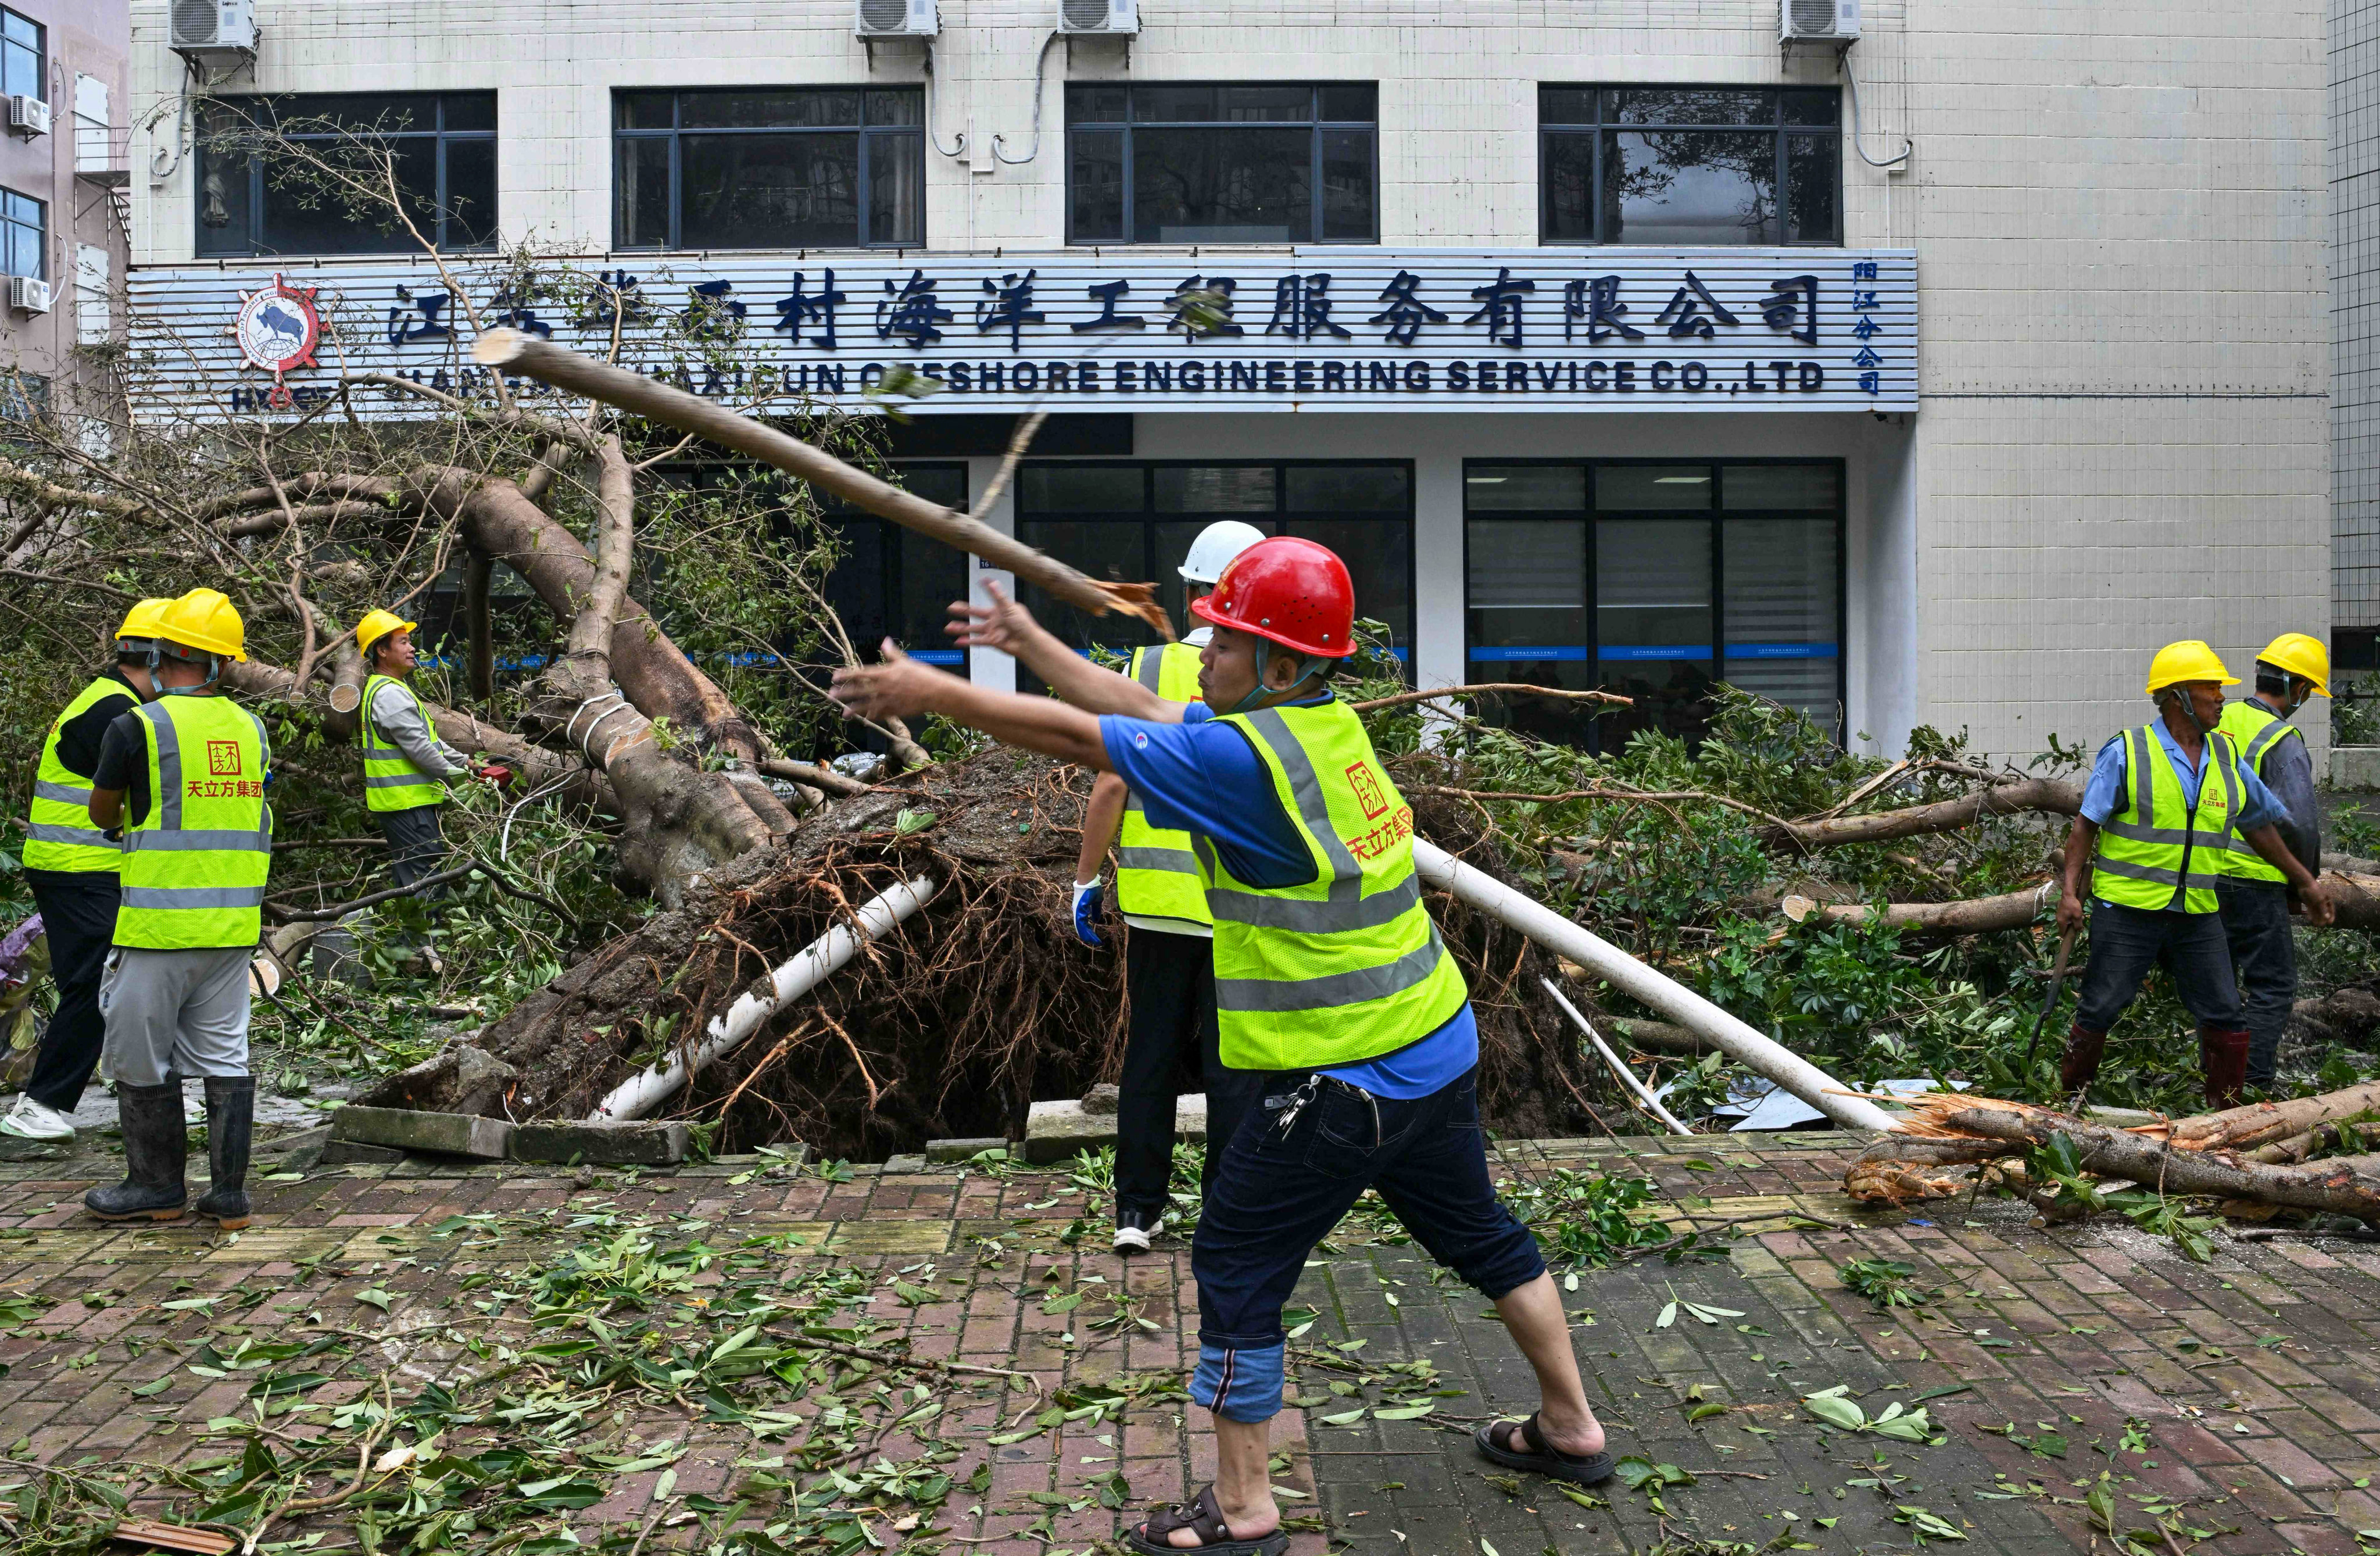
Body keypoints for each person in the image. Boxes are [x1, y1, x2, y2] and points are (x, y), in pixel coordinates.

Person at [833, 539, 1613, 1556]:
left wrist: (932, 693)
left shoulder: (1246, 767)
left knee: (1239, 1268)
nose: (1205, 653)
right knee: (1482, 1235)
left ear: (1281, 665)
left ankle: (1245, 1511)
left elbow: (1088, 741)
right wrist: (1029, 640)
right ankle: (1571, 1426)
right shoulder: (1312, 730)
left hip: (1343, 1081)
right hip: (1431, 1043)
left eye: (1229, 641)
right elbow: (1143, 708)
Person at [1072, 518, 1266, 1252]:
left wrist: (1086, 881)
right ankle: (1227, 1212)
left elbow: (1111, 784)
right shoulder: (1267, 676)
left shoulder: (1144, 669)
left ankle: (1136, 1214)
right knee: (1234, 1069)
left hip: (1157, 911)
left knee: (1148, 1061)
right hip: (1240, 914)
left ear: (1191, 597)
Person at [2055, 641, 2334, 1108]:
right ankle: (2067, 1104)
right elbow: (2085, 826)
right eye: (2211, 686)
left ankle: (2225, 1116)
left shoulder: (2224, 756)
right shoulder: (2128, 751)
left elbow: (2259, 824)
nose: (2221, 696)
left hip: (2197, 912)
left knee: (2224, 1013)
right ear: (2177, 695)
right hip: (2128, 909)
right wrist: (2069, 893)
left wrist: (2303, 881)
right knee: (2101, 1006)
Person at [83, 587, 272, 1229]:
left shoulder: (135, 725)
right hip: (232, 926)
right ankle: (229, 1200)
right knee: (225, 1056)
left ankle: (157, 1188)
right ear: (221, 663)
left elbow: (102, 811)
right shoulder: (253, 728)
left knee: (138, 1056)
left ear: (163, 653)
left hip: (159, 926)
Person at [1, 599, 167, 1153]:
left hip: (80, 866)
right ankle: (41, 1104)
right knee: (99, 983)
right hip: (79, 866)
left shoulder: (108, 698)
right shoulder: (117, 715)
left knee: (120, 979)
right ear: (160, 658)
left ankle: (153, 1088)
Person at [2214, 632, 2327, 1091]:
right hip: (2254, 880)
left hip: (2200, 875)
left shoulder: (2220, 719)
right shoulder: (2281, 739)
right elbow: (2298, 824)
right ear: (2297, 687)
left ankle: (2214, 1081)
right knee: (2273, 986)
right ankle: (2251, 1084)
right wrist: (2304, 885)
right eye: (2308, 691)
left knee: (2220, 991)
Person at [354, 609, 507, 892]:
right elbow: (422, 752)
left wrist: (468, 763)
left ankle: (415, 936)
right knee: (427, 881)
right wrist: (464, 781)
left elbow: (430, 743)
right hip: (408, 805)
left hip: (407, 805)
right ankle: (424, 938)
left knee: (413, 880)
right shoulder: (389, 694)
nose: (412, 648)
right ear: (382, 651)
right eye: (403, 642)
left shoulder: (389, 688)